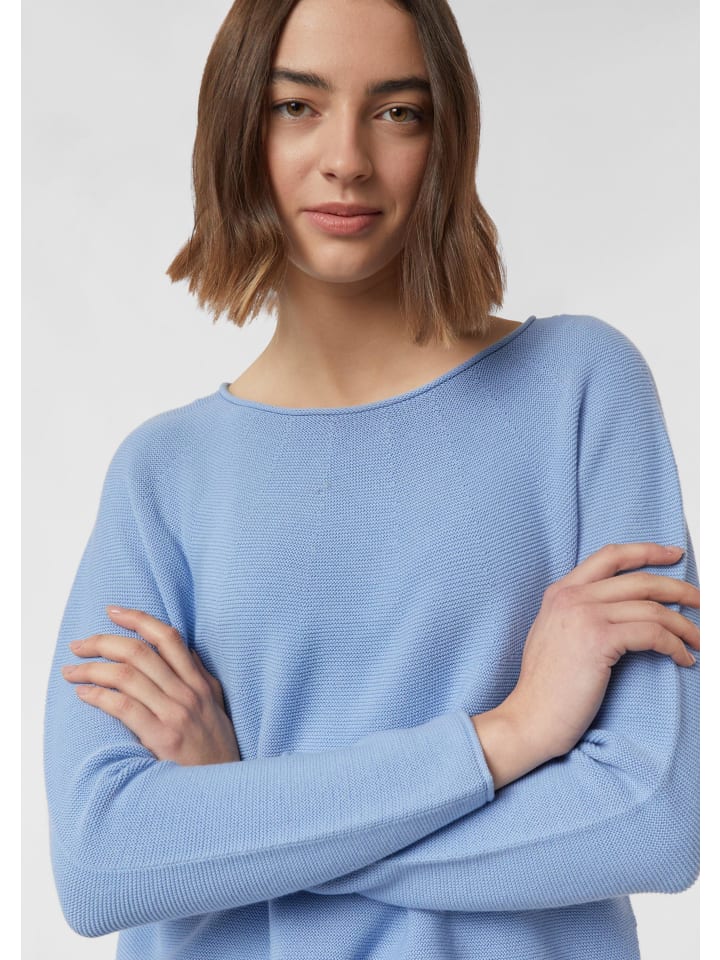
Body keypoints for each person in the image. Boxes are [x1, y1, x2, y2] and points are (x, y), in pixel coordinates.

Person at [43, 1, 700, 958]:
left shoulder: (579, 388)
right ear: (239, 128)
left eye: (397, 111)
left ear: (446, 139)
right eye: (297, 107)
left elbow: (645, 819)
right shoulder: (163, 473)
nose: (347, 158)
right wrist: (510, 736)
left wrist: (238, 819)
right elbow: (104, 862)